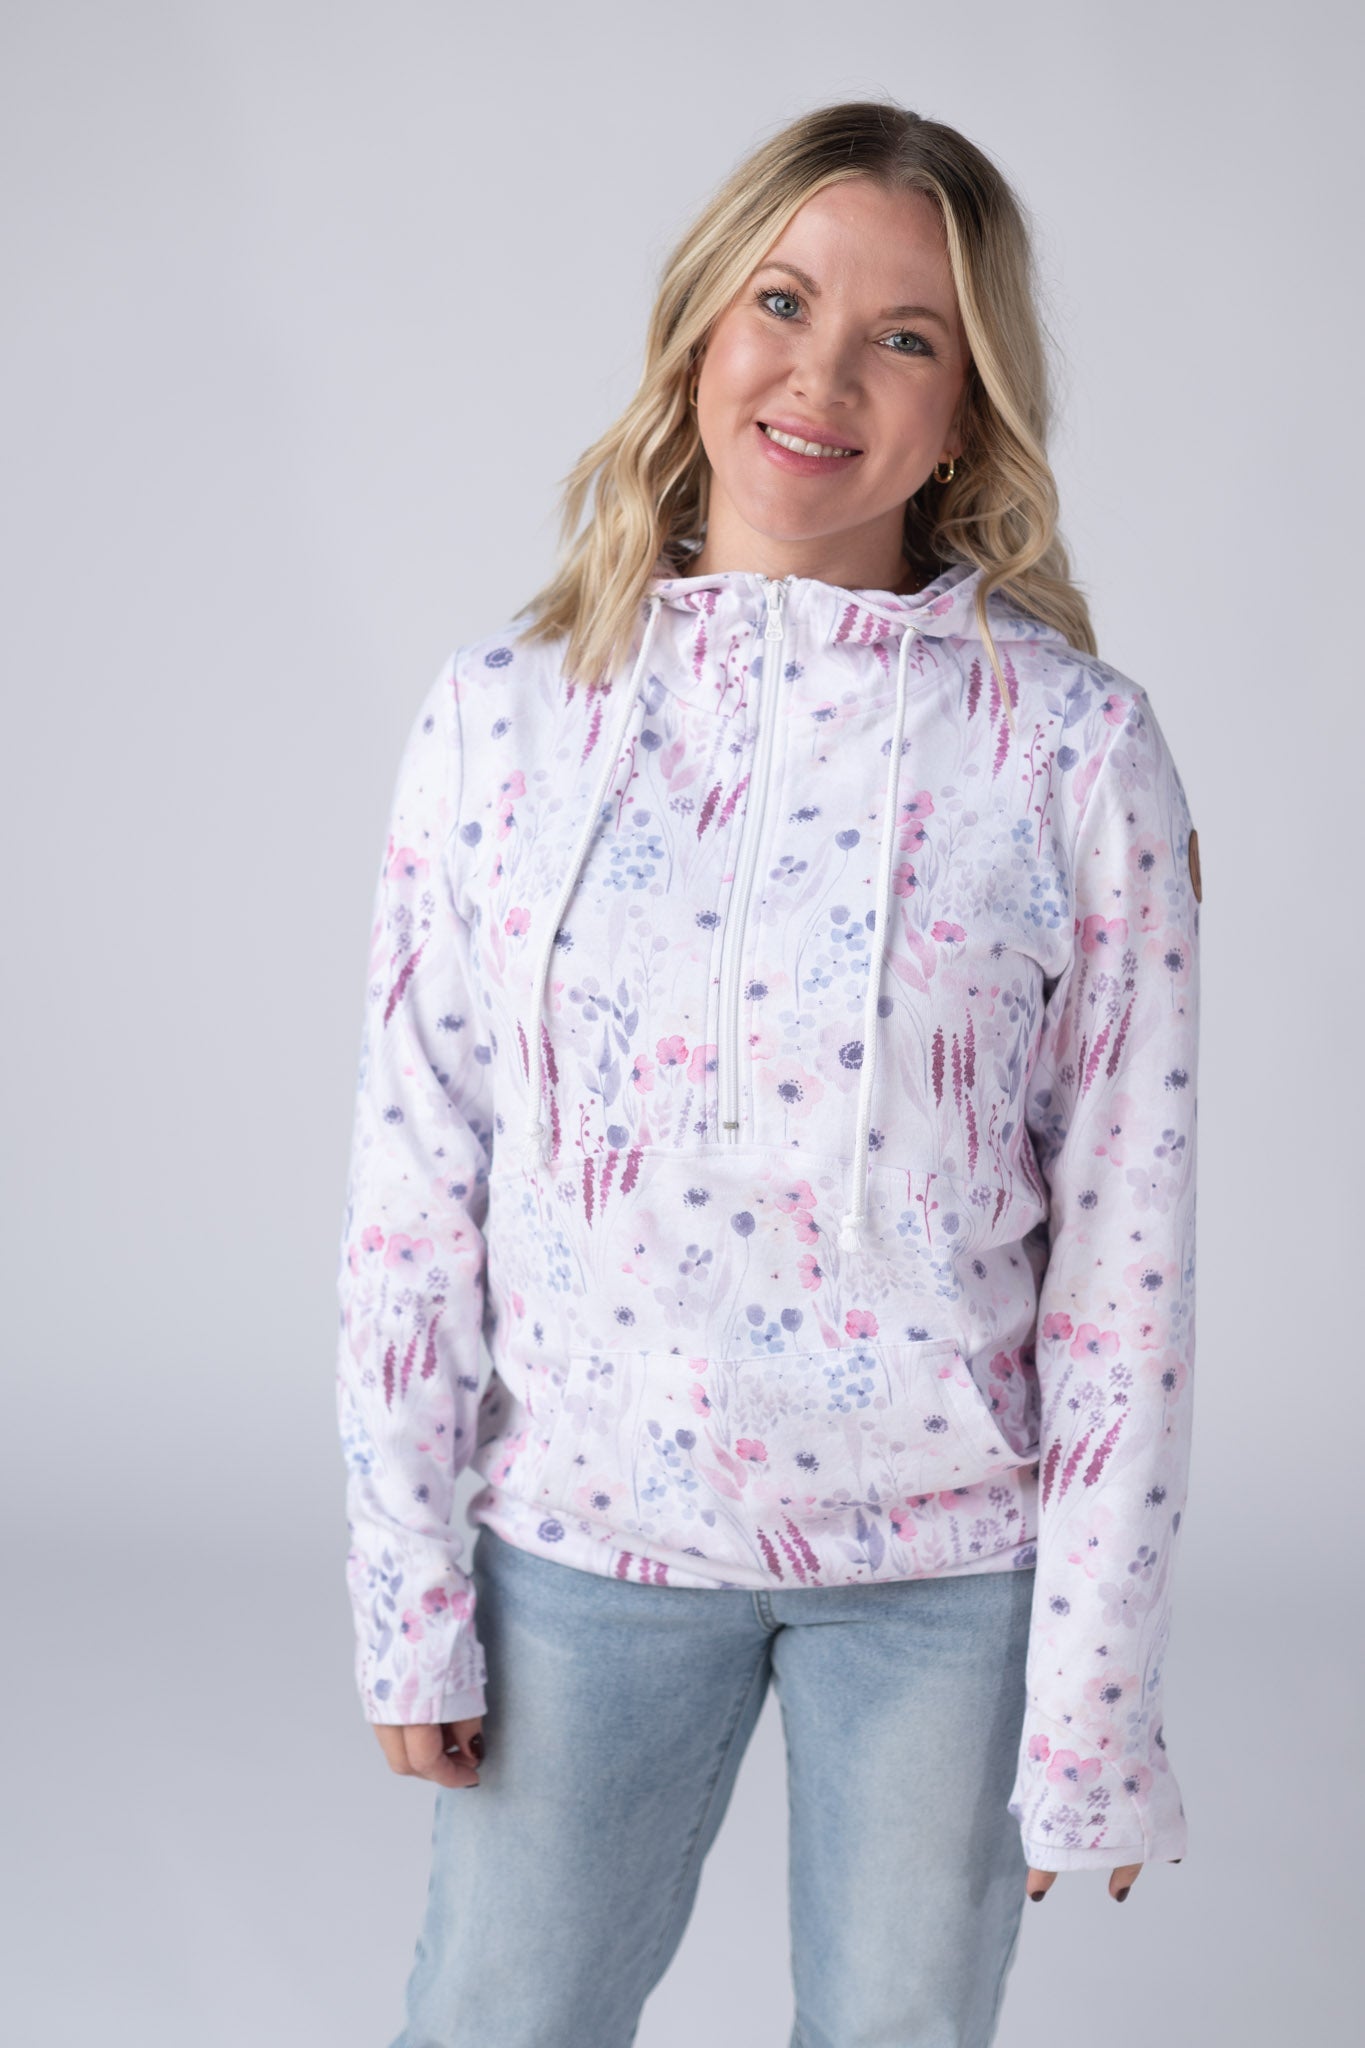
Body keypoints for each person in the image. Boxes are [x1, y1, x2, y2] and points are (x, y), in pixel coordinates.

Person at [334, 98, 1201, 2048]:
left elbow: (1124, 1262)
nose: (822, 377)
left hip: (945, 1575)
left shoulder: (1073, 756)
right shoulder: (502, 724)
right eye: (782, 304)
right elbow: (415, 1178)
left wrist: (1090, 1705)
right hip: (583, 1541)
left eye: (903, 336)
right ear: (697, 332)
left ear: (965, 409)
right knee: (496, 2018)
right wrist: (411, 1589)